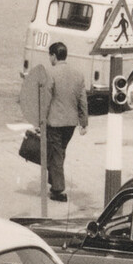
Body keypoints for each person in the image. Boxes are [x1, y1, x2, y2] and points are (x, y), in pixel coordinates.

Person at [21, 40, 89, 206]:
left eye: (50, 55)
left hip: (55, 122)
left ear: (53, 56)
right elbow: (83, 100)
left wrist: (39, 120)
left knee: (56, 154)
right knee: (59, 151)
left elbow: (46, 99)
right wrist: (83, 122)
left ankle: (59, 190)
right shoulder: (78, 74)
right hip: (70, 124)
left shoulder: (50, 73)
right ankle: (54, 182)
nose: (49, 59)